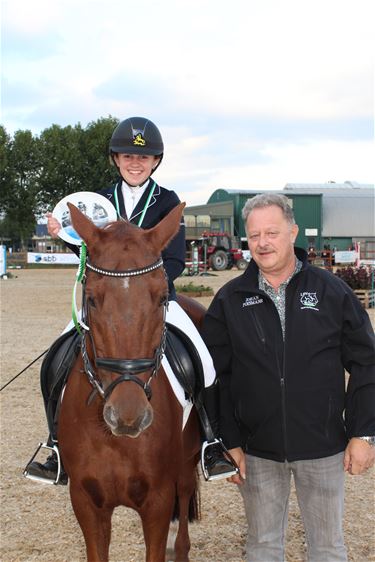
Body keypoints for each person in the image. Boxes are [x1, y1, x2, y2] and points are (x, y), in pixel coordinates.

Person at [26, 116, 238, 485]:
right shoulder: (98, 202)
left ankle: (210, 442)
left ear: (155, 161)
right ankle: (56, 445)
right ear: (116, 160)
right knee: (57, 358)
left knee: (203, 361)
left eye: (143, 157)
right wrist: (63, 236)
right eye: (127, 156)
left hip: (154, 301)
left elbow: (173, 259)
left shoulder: (168, 201)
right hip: (105, 301)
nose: (135, 163)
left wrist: (144, 292)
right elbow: (85, 249)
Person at [202, 193, 375, 562]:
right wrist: (227, 441)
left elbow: (367, 363)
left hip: (323, 447)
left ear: (293, 232)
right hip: (256, 450)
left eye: (272, 232)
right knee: (263, 547)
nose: (263, 243)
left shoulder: (331, 292)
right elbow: (214, 378)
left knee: (327, 548)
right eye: (254, 235)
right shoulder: (231, 300)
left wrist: (363, 433)